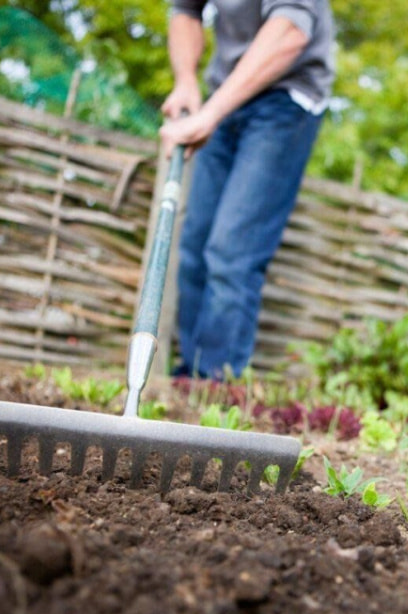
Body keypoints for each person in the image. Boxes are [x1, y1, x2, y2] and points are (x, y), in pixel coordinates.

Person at [159, 0, 334, 379]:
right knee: (195, 244)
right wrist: (186, 79)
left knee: (232, 249)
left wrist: (209, 114)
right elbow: (185, 11)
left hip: (286, 94)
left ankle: (216, 387)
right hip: (226, 92)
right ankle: (190, 378)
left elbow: (290, 30)